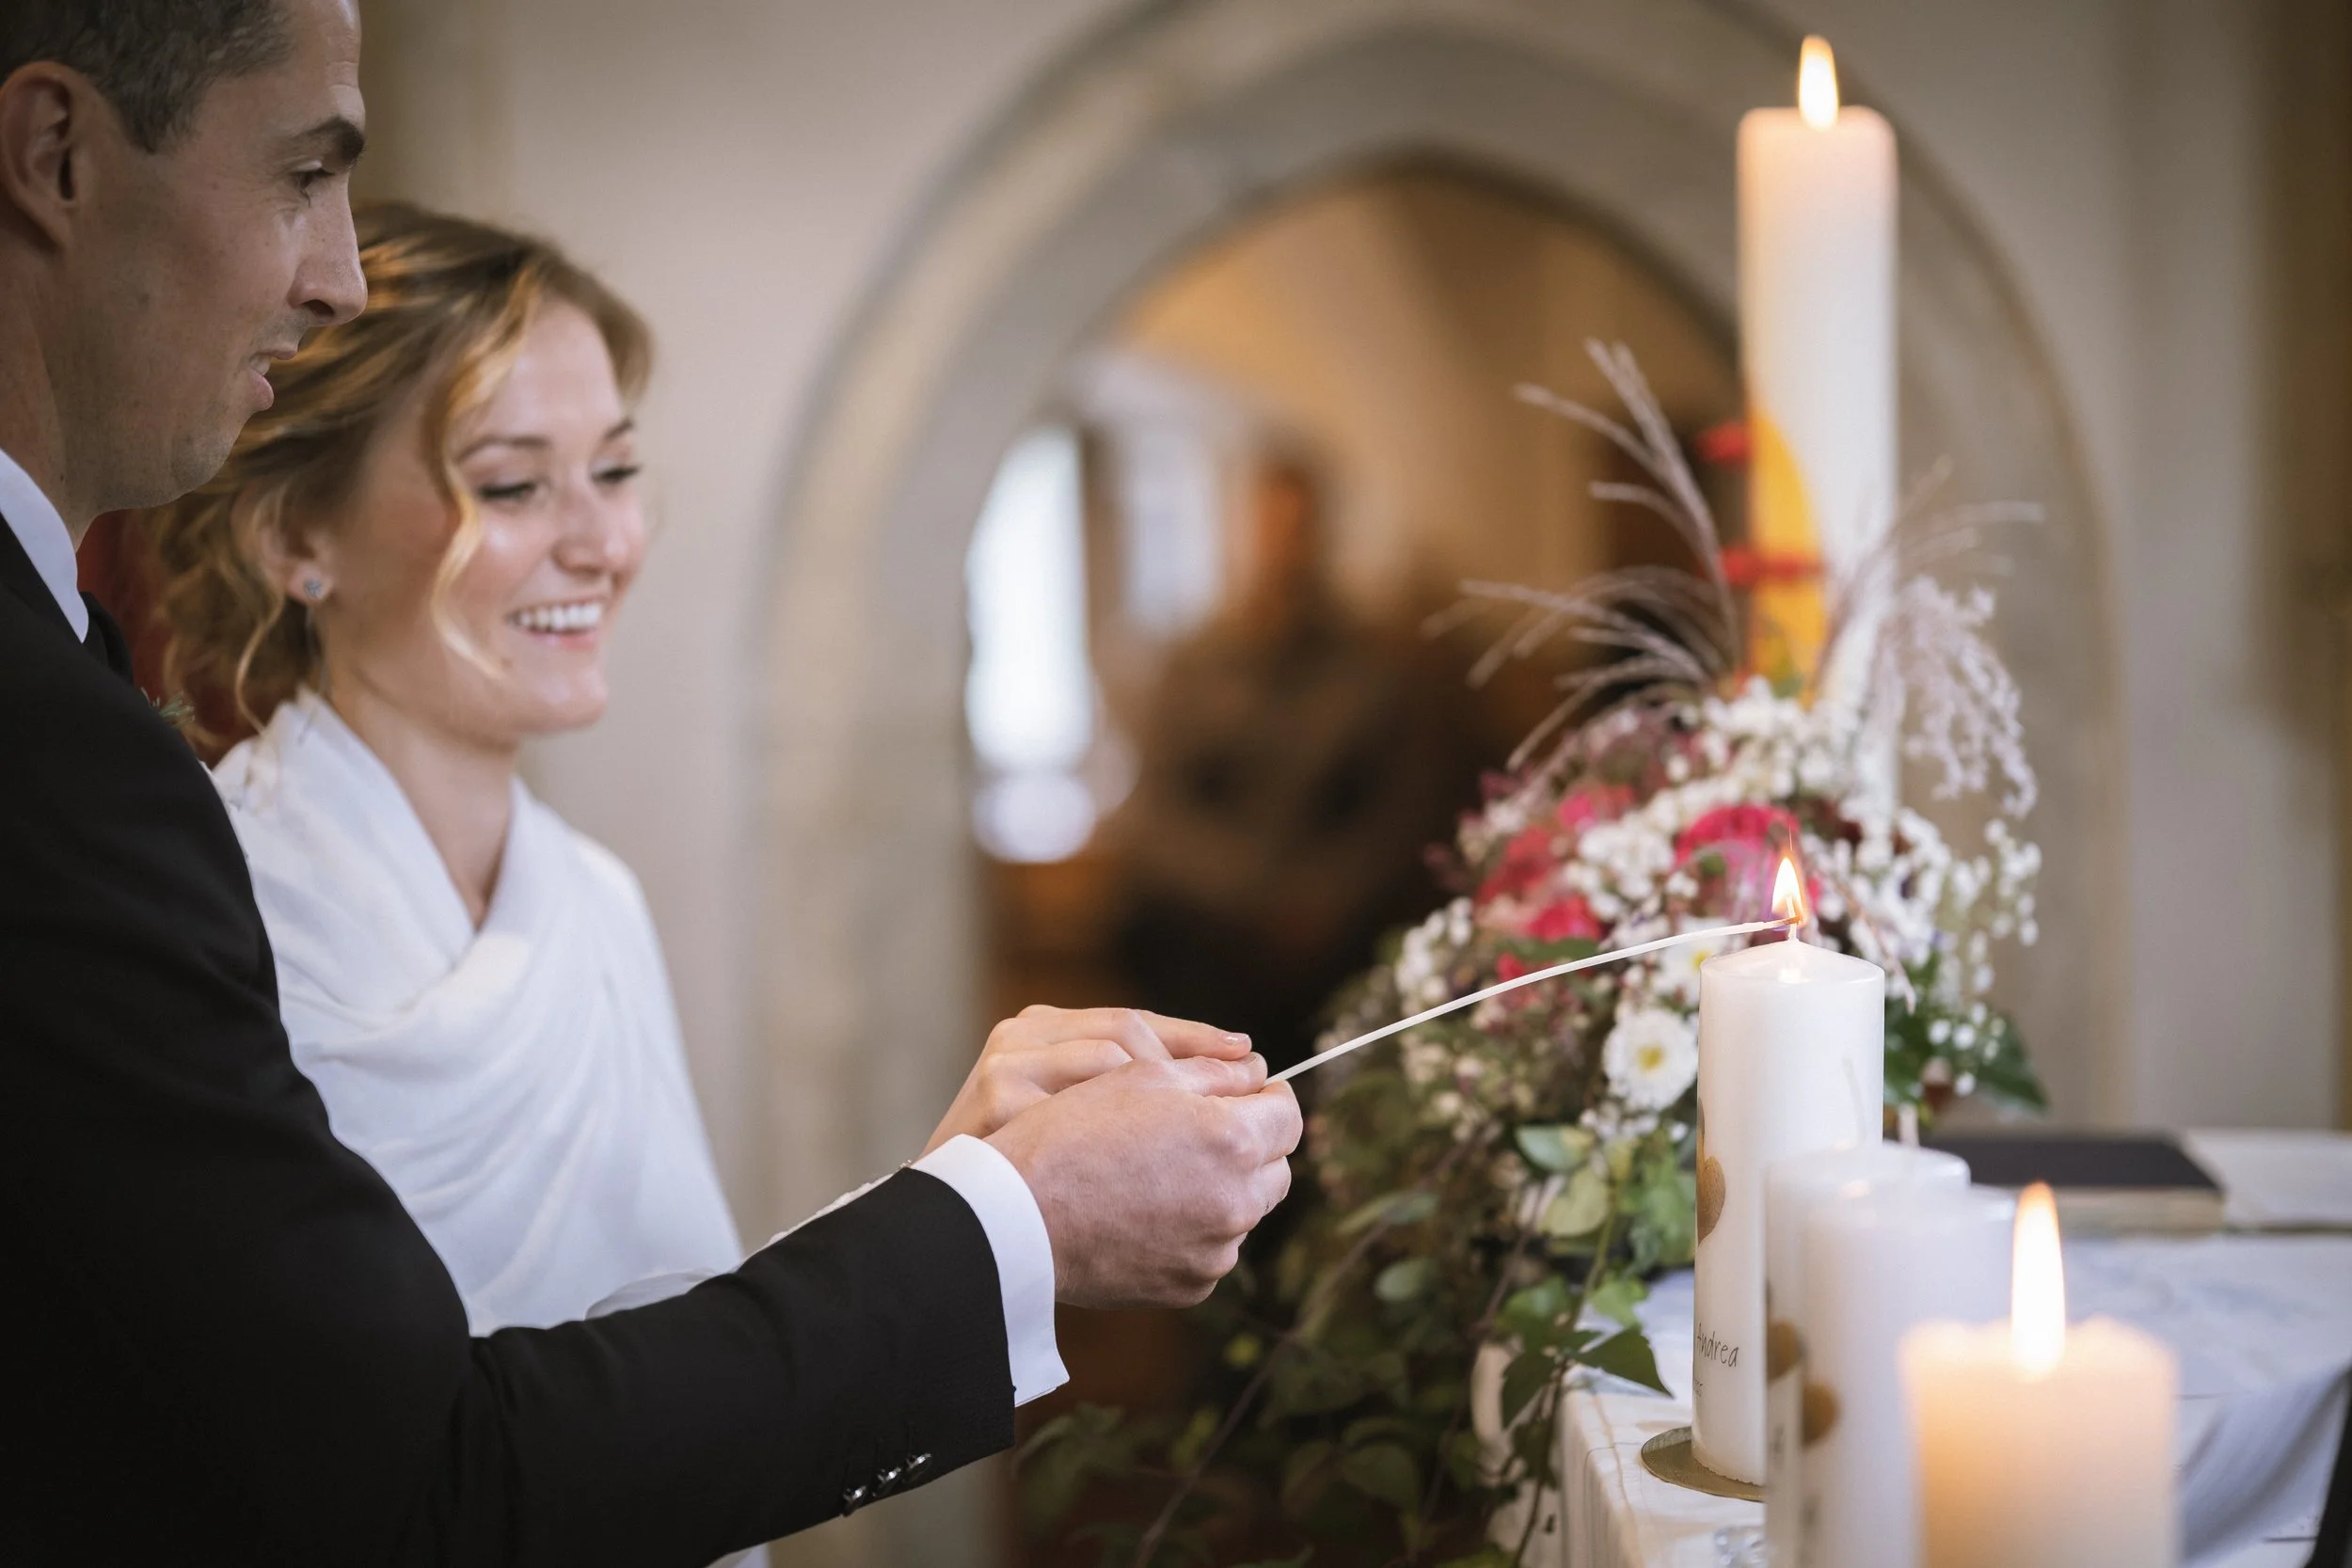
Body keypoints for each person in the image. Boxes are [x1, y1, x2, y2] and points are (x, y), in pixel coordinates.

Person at [0, 2, 1301, 1563]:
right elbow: (415, 1462)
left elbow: (639, 1363)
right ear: (299, 541)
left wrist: (964, 1172)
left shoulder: (587, 902)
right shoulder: (196, 870)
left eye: (615, 468)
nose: (600, 539)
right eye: (509, 481)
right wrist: (1012, 1221)